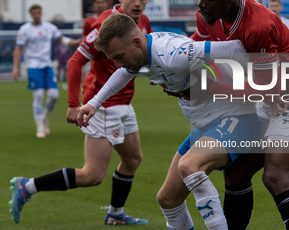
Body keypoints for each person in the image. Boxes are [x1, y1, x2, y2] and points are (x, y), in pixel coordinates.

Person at [76, 14, 261, 230]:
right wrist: (94, 103)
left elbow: (237, 49)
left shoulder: (175, 54)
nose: (117, 63)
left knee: (190, 167)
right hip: (207, 125)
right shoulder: (142, 53)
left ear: (136, 42)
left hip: (238, 118)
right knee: (168, 199)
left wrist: (270, 85)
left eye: (118, 55)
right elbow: (124, 72)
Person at [9, 0, 152, 226]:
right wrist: (73, 103)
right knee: (92, 175)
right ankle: (27, 186)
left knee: (132, 160)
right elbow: (76, 61)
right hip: (102, 106)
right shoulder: (105, 26)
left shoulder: (144, 22)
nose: (137, 3)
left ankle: (115, 214)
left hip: (124, 104)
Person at [190, 0, 289, 229]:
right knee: (236, 175)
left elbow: (267, 86)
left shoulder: (257, 26)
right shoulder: (208, 16)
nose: (200, 4)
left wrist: (208, 88)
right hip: (269, 95)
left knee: (276, 176)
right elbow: (192, 50)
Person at [12, 4, 81, 138]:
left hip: (47, 66)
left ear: (41, 13)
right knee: (38, 96)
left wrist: (76, 41)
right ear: (31, 14)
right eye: (34, 13)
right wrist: (15, 67)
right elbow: (18, 49)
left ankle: (44, 118)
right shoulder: (24, 29)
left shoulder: (49, 27)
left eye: (38, 12)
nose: (37, 15)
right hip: (33, 66)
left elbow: (62, 39)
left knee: (54, 95)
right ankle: (40, 128)